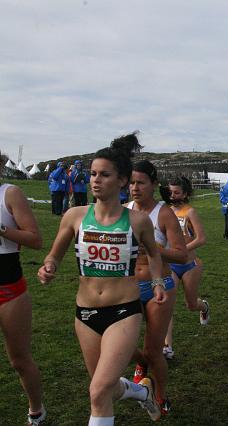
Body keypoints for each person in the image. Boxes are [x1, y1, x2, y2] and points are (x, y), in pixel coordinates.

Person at [37, 133, 166, 425]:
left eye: (104, 175)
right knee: (103, 387)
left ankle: (138, 393)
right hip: (85, 314)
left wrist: (157, 282)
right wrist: (49, 267)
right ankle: (141, 393)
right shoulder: (74, 216)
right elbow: (54, 254)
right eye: (93, 174)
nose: (95, 180)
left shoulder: (137, 221)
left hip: (123, 311)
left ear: (121, 180)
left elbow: (155, 255)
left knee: (97, 391)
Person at [127, 160, 188, 416]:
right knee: (122, 347)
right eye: (131, 182)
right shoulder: (123, 210)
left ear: (153, 185)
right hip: (128, 286)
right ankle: (140, 363)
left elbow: (182, 255)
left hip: (158, 286)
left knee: (154, 352)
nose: (134, 187)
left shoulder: (163, 214)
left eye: (141, 182)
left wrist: (153, 248)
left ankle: (160, 395)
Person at [0, 175, 46, 425]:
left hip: (8, 288)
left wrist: (2, 229)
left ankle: (36, 409)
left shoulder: (10, 193)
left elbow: (36, 240)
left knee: (19, 359)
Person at [166, 176, 209, 360]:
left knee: (190, 304)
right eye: (170, 192)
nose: (172, 195)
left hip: (189, 264)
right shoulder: (165, 212)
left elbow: (201, 238)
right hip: (170, 265)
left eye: (176, 192)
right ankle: (167, 346)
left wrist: (182, 250)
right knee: (166, 305)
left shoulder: (190, 212)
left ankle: (203, 306)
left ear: (185, 193)